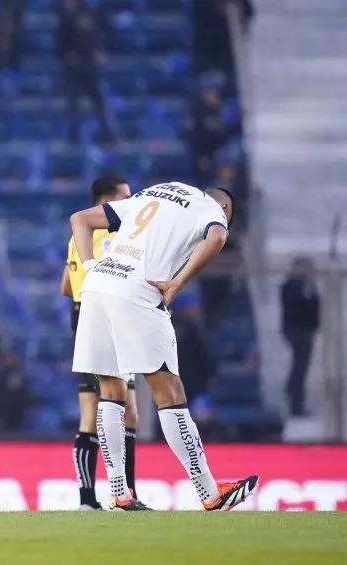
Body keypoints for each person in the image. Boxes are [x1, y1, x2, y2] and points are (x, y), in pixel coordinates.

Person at [70, 182, 257, 511]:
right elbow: (217, 238)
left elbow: (80, 220)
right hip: (138, 292)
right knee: (169, 392)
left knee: (110, 390)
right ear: (225, 210)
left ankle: (119, 492)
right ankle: (210, 493)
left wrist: (89, 268)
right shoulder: (210, 209)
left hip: (97, 287)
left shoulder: (153, 192)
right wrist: (177, 283)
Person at [61, 175, 137, 510]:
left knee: (124, 412)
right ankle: (99, 498)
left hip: (85, 315)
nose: (132, 204)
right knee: (110, 411)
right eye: (126, 198)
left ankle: (101, 498)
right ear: (107, 202)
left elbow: (66, 286)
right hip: (103, 318)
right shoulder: (111, 234)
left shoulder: (76, 237)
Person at [280, 257, 320, 417]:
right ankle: (294, 397)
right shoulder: (290, 286)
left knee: (301, 368)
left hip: (306, 330)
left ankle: (292, 391)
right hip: (296, 331)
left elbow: (314, 306)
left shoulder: (308, 287)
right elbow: (295, 305)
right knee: (299, 368)